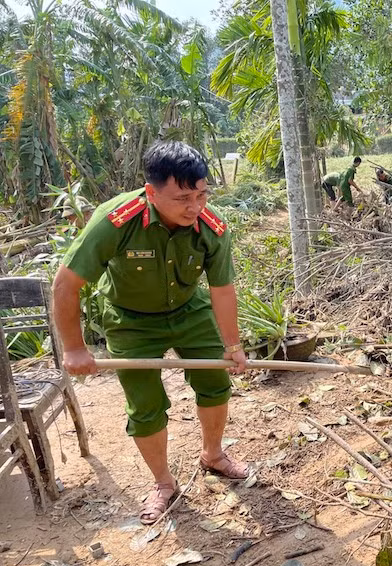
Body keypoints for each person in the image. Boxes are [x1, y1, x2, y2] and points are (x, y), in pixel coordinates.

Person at [52, 141, 249, 524]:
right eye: (182, 198)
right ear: (150, 192)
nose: (195, 207)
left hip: (189, 311)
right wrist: (74, 348)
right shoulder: (116, 222)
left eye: (202, 194)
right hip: (131, 320)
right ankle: (163, 483)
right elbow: (65, 285)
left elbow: (222, 289)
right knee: (145, 408)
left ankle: (213, 455)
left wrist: (233, 345)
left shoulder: (211, 227)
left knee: (215, 382)